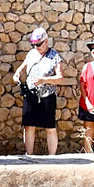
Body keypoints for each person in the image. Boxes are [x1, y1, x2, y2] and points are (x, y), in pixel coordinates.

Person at [14, 27, 64, 155]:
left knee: (49, 126)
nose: (36, 47)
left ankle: (52, 156)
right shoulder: (31, 54)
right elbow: (22, 67)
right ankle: (29, 154)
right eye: (33, 44)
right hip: (31, 94)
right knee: (29, 125)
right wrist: (17, 74)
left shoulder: (55, 57)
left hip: (47, 95)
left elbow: (60, 78)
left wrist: (44, 80)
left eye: (38, 44)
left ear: (46, 41)